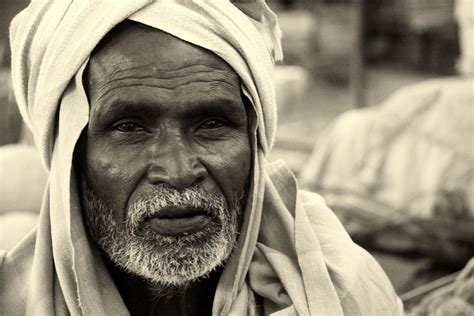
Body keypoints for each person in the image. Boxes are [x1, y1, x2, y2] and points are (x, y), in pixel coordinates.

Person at [0, 1, 402, 315]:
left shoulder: (341, 293)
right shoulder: (12, 303)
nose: (178, 172)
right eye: (129, 127)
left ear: (254, 138)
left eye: (211, 123)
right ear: (71, 150)